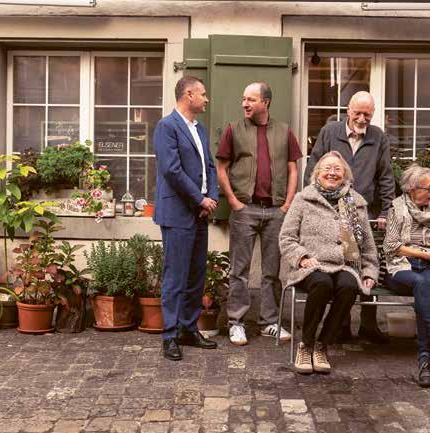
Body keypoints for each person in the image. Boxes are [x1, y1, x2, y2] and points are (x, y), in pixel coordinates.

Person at [304, 91, 395, 344]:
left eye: (368, 114)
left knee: (366, 263)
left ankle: (368, 324)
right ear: (348, 111)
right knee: (340, 263)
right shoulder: (330, 132)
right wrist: (313, 203)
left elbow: (386, 176)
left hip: (364, 211)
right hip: (332, 209)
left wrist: (385, 211)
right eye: (358, 113)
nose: (362, 119)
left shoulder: (378, 137)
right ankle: (341, 325)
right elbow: (313, 168)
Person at [216, 82, 302, 346]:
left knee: (271, 271)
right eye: (243, 99)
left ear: (266, 102)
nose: (245, 104)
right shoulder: (233, 129)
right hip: (245, 209)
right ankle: (236, 323)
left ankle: (270, 322)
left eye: (251, 99)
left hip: (275, 210)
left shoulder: (284, 131)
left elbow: (293, 169)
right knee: (239, 271)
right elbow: (221, 168)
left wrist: (287, 205)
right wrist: (234, 202)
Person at [280, 151, 379, 374]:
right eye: (327, 169)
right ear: (317, 173)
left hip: (345, 265)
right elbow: (287, 237)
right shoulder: (303, 199)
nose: (332, 173)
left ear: (345, 175)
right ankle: (306, 344)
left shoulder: (355, 203)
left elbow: (368, 245)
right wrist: (302, 257)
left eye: (337, 169)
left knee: (349, 287)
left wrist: (369, 272)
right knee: (322, 283)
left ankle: (322, 345)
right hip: (311, 265)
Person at [153, 76, 219, 361]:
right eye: (203, 94)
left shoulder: (199, 128)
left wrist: (211, 197)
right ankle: (170, 336)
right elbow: (172, 170)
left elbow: (210, 167)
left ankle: (188, 330)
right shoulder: (166, 126)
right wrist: (199, 199)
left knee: (196, 275)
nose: (206, 99)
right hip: (177, 213)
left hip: (200, 212)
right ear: (189, 94)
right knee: (175, 277)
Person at [383, 164, 430, 388]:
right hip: (401, 268)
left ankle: (427, 361)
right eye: (429, 188)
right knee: (423, 285)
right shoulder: (396, 208)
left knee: (425, 289)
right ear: (412, 189)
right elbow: (392, 246)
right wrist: (427, 254)